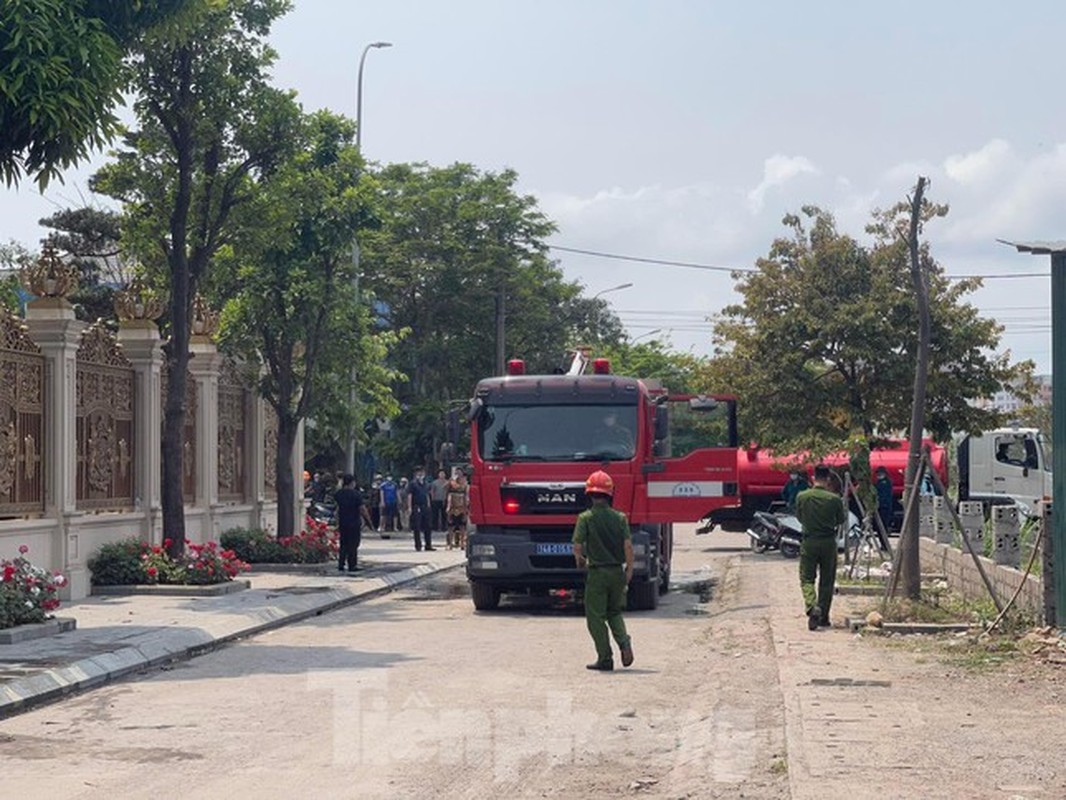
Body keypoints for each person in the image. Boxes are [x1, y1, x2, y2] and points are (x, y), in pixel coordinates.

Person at [572, 470, 634, 671]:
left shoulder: (586, 518)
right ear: (610, 494)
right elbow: (628, 546)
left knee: (595, 617)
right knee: (614, 611)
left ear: (589, 494)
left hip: (597, 573)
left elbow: (578, 546)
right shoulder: (620, 518)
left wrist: (580, 561)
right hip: (617, 571)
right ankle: (624, 642)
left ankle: (605, 659)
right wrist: (629, 570)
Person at [795, 464, 846, 631]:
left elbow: (800, 517)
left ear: (813, 478)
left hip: (809, 541)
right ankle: (823, 616)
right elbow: (840, 520)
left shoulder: (802, 496)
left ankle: (811, 607)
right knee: (827, 580)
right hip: (828, 542)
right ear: (829, 479)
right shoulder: (834, 499)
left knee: (807, 578)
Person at [334, 474, 373, 573]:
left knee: (343, 543)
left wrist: (337, 523)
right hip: (354, 522)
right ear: (352, 482)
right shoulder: (356, 494)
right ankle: (352, 565)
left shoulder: (339, 494)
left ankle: (341, 564)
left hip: (343, 522)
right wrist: (369, 522)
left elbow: (337, 510)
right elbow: (362, 509)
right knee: (353, 544)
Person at [408, 467, 434, 551]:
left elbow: (427, 495)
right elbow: (410, 495)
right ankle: (418, 545)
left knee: (428, 526)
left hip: (425, 506)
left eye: (422, 473)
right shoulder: (413, 484)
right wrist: (409, 507)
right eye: (419, 473)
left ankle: (428, 545)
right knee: (417, 526)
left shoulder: (426, 484)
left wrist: (429, 505)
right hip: (417, 506)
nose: (421, 474)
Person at [446, 469, 470, 550]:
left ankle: (462, 543)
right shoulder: (451, 482)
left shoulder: (465, 483)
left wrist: (467, 506)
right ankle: (450, 543)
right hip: (452, 505)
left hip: (461, 506)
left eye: (459, 473)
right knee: (451, 526)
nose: (458, 474)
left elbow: (466, 494)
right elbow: (446, 490)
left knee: (462, 526)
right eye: (456, 473)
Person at [875, 466, 895, 532]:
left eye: (880, 473)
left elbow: (883, 495)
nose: (878, 475)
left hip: (884, 506)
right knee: (881, 525)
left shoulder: (884, 483)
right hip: (883, 505)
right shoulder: (881, 482)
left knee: (882, 524)